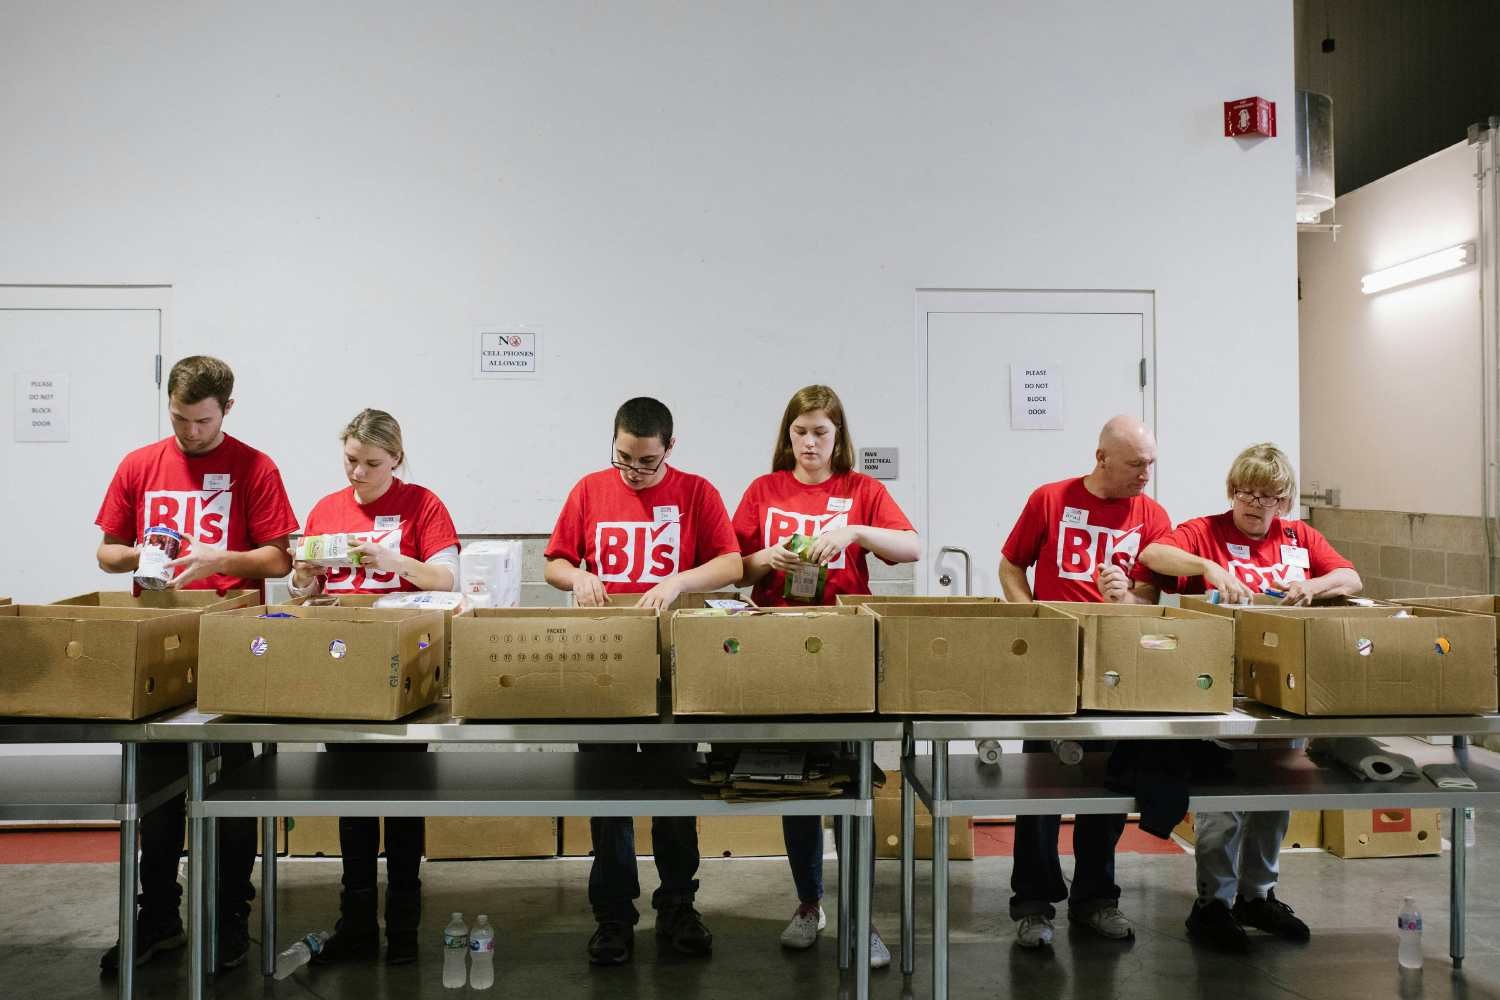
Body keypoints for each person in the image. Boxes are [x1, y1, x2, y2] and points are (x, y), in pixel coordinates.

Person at [93, 355, 298, 974]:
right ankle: (157, 917)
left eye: (202, 421)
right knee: (154, 793)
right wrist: (142, 553)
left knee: (234, 792)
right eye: (179, 418)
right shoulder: (139, 464)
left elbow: (281, 560)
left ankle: (230, 916)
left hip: (233, 643)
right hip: (158, 643)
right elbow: (105, 554)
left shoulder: (254, 467)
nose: (189, 432)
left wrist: (218, 560)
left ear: (227, 410)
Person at [1134, 442, 1361, 951]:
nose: (1254, 504)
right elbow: (1153, 555)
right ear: (1232, 492)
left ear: (1285, 500)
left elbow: (1351, 575)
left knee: (1276, 797)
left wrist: (1317, 586)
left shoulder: (1299, 536)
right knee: (1223, 803)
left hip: (1285, 690)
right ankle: (1213, 903)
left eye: (1268, 495)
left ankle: (1257, 895)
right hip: (1222, 687)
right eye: (1245, 492)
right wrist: (1209, 568)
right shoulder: (1208, 530)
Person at [545, 397, 742, 966]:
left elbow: (730, 564)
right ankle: (613, 917)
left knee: (676, 792)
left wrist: (680, 580)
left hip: (675, 666)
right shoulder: (589, 490)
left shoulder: (696, 492)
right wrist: (578, 575)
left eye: (648, 461)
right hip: (602, 664)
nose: (634, 471)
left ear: (670, 448)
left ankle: (678, 906)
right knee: (607, 797)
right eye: (625, 458)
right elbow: (553, 561)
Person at [731, 385, 919, 969]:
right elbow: (733, 564)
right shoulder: (763, 490)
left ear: (839, 438)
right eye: (800, 432)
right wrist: (769, 558)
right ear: (786, 436)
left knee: (853, 787)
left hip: (845, 656)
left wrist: (856, 533)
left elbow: (912, 547)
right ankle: (809, 905)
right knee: (797, 786)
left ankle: (859, 918)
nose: (810, 443)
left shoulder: (862, 490)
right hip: (779, 652)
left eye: (821, 432)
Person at [286, 409, 461, 965]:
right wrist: (303, 579)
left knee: (406, 798)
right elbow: (300, 592)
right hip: (341, 666)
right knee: (353, 800)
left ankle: (404, 930)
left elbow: (446, 579)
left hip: (406, 665)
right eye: (351, 461)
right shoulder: (327, 509)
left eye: (372, 463)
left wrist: (395, 559)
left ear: (397, 460)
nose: (358, 473)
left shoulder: (423, 505)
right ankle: (357, 924)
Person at [997, 415, 1170, 948]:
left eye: (1151, 463)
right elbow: (1009, 566)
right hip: (1052, 669)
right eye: (1136, 464)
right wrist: (1034, 622)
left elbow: (1151, 600)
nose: (1147, 474)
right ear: (1102, 459)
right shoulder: (1050, 499)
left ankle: (1097, 899)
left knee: (1107, 788)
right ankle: (1034, 903)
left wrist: (1126, 598)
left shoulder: (1153, 515)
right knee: (1041, 791)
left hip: (1116, 670)